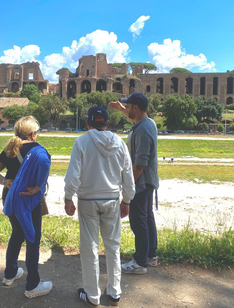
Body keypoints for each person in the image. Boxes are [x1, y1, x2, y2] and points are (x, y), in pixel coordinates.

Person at [64, 107, 135, 307]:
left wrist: (68, 197)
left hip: (87, 199)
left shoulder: (82, 142)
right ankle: (114, 291)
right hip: (112, 199)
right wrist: (127, 200)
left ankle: (92, 294)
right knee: (113, 246)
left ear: (88, 124)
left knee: (90, 248)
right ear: (108, 124)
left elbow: (73, 176)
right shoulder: (119, 143)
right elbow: (128, 176)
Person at [0, 116, 53, 298]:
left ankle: (10, 274)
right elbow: (44, 167)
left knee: (17, 233)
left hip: (10, 197)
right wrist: (38, 188)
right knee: (33, 238)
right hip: (28, 199)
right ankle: (32, 284)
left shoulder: (10, 149)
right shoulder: (38, 149)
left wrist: (6, 181)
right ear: (33, 133)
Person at [109, 92, 160, 275]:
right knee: (147, 217)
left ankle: (140, 263)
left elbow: (140, 164)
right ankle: (151, 255)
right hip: (148, 181)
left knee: (138, 222)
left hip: (142, 182)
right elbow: (134, 120)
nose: (127, 109)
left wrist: (128, 188)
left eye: (129, 106)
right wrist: (122, 110)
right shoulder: (147, 123)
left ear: (136, 108)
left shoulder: (143, 131)